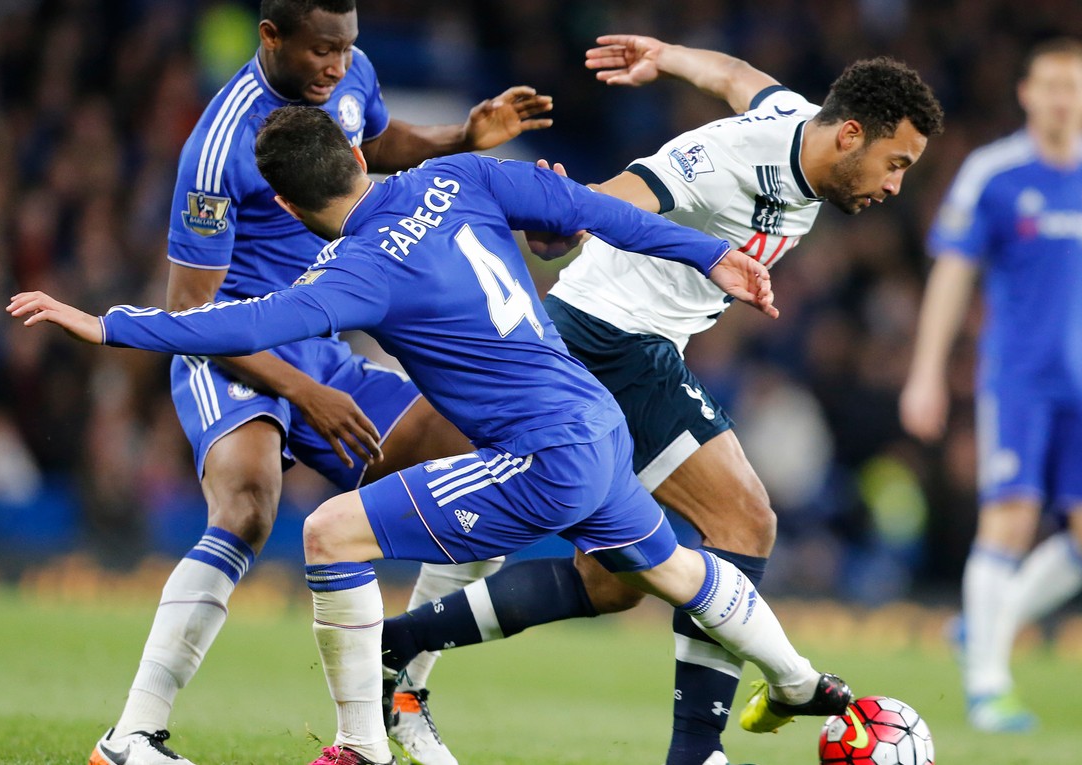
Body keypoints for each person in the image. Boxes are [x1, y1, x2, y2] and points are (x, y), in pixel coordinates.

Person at [9, 104, 855, 765]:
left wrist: (106, 324)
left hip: (540, 457)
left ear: (291, 205)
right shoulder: (460, 177)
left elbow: (236, 324)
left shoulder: (358, 269)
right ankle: (799, 678)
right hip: (598, 423)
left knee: (329, 532)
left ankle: (362, 745)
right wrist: (706, 255)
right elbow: (590, 208)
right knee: (674, 569)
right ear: (358, 157)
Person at [384, 36, 943, 765]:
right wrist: (562, 219)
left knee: (610, 583)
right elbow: (626, 193)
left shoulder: (794, 119)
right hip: (611, 341)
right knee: (743, 520)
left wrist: (665, 55)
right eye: (896, 163)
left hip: (614, 341)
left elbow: (735, 75)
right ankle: (699, 749)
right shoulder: (729, 163)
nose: (895, 186)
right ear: (850, 136)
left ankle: (395, 646)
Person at [87, 1, 551, 763]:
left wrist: (462, 137)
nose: (336, 66)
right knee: (247, 504)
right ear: (271, 37)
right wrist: (303, 393)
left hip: (317, 344)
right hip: (232, 345)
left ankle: (404, 689)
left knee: (479, 450)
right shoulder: (218, 145)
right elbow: (191, 310)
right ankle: (131, 735)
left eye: (346, 47)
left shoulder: (351, 73)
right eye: (320, 50)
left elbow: (374, 146)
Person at [899, 38, 1082, 732]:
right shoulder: (994, 173)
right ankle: (988, 687)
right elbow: (952, 272)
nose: (1061, 98)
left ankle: (985, 623)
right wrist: (926, 372)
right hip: (1017, 378)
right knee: (1010, 519)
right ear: (1026, 94)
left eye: (1074, 86)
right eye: (1049, 85)